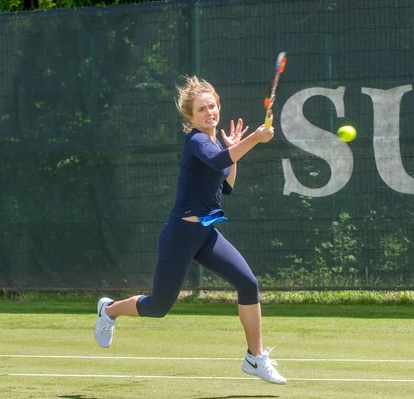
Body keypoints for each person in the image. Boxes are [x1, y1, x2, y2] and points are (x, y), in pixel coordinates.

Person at [93, 76, 286, 385]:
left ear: (218, 106)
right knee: (158, 307)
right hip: (180, 237)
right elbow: (219, 159)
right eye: (201, 109)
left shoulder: (216, 142)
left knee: (248, 284)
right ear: (191, 116)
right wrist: (253, 140)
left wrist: (235, 149)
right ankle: (110, 311)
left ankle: (255, 357)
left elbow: (226, 186)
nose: (208, 112)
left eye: (212, 106)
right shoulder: (196, 141)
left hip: (206, 235)